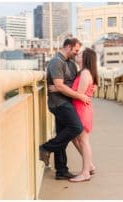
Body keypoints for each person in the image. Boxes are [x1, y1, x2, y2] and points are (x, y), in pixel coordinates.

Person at [39, 38, 91, 180]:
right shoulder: (56, 62)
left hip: (67, 101)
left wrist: (62, 87)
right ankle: (46, 148)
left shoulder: (71, 65)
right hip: (59, 103)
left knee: (62, 133)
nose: (76, 53)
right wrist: (78, 95)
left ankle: (61, 170)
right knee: (76, 128)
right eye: (75, 50)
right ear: (68, 47)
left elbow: (70, 83)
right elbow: (60, 85)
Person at [68, 47, 98, 182]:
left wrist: (59, 88)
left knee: (83, 141)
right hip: (81, 109)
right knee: (75, 138)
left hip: (82, 110)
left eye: (80, 54)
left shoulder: (85, 73)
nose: (77, 54)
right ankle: (89, 165)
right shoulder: (84, 72)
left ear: (85, 58)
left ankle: (85, 172)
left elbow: (78, 94)